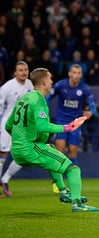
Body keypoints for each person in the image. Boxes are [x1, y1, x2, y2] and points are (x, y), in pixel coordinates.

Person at [5, 68, 99, 212]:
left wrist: (21, 139)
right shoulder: (38, 100)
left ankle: (63, 191)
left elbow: (8, 125)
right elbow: (43, 126)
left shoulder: (24, 98)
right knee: (73, 169)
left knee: (51, 148)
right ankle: (77, 204)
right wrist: (67, 128)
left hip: (18, 150)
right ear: (43, 82)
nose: (52, 82)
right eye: (50, 79)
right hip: (30, 148)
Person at [46, 64, 96, 192]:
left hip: (75, 124)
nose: (76, 75)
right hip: (61, 122)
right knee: (59, 151)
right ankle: (57, 182)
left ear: (81, 75)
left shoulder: (84, 89)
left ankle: (73, 181)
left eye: (78, 73)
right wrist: (43, 108)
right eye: (74, 72)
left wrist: (90, 112)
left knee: (73, 151)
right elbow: (48, 98)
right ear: (69, 73)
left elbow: (92, 106)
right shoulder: (61, 85)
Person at [0, 61, 34, 197]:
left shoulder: (30, 85)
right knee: (3, 154)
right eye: (20, 70)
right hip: (7, 125)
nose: (23, 72)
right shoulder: (7, 87)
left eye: (25, 69)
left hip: (23, 127)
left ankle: (5, 179)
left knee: (24, 156)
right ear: (15, 72)